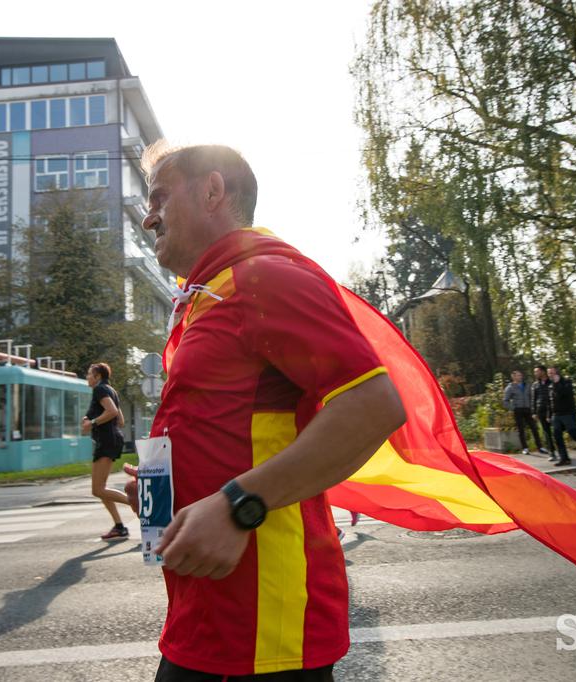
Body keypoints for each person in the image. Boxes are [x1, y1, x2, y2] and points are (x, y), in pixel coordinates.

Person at [129, 141, 405, 680]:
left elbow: (375, 406)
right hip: (205, 613)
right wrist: (164, 485)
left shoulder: (262, 279)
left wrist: (239, 506)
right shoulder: (207, 298)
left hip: (263, 630)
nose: (147, 217)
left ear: (212, 191)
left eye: (160, 197)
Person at [82, 362, 130, 541]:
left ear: (98, 376)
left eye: (89, 373)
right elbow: (121, 420)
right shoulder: (111, 390)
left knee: (97, 489)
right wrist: (92, 419)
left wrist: (92, 423)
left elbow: (111, 412)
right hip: (112, 440)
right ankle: (119, 526)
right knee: (101, 489)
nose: (87, 377)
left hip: (107, 442)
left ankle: (139, 505)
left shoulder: (100, 390)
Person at [502, 370, 545, 456]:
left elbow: (532, 397)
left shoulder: (527, 385)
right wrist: (514, 408)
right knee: (521, 430)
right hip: (518, 410)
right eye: (518, 376)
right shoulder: (510, 387)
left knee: (534, 428)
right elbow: (505, 401)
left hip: (528, 409)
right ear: (513, 377)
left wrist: (533, 407)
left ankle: (540, 447)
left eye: (521, 375)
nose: (520, 377)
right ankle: (525, 448)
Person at [531, 365, 556, 460]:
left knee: (556, 431)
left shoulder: (551, 382)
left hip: (553, 411)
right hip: (541, 411)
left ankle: (562, 452)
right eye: (535, 372)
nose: (535, 373)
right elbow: (533, 399)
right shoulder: (535, 385)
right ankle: (552, 452)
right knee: (547, 433)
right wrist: (533, 412)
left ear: (543, 372)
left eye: (537, 371)